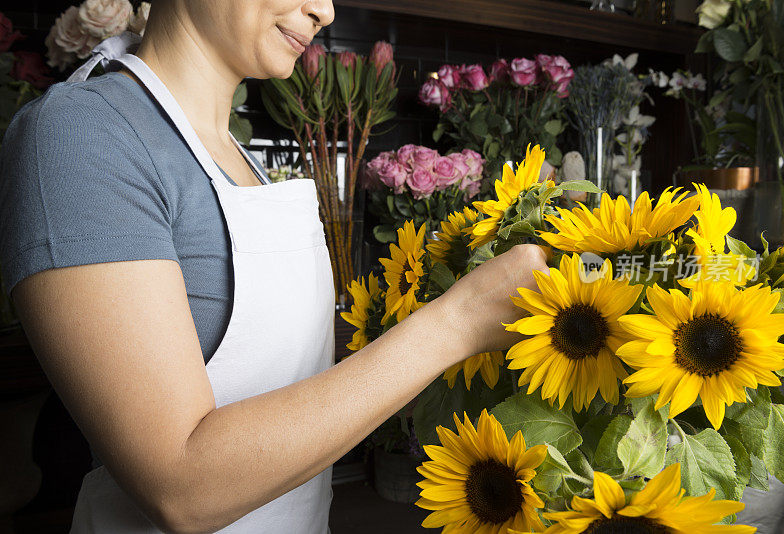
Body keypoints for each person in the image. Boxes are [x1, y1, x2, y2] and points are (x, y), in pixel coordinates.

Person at [0, 1, 549, 532]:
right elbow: (180, 485)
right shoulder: (82, 135)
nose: (326, 11)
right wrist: (457, 322)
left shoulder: (240, 161)